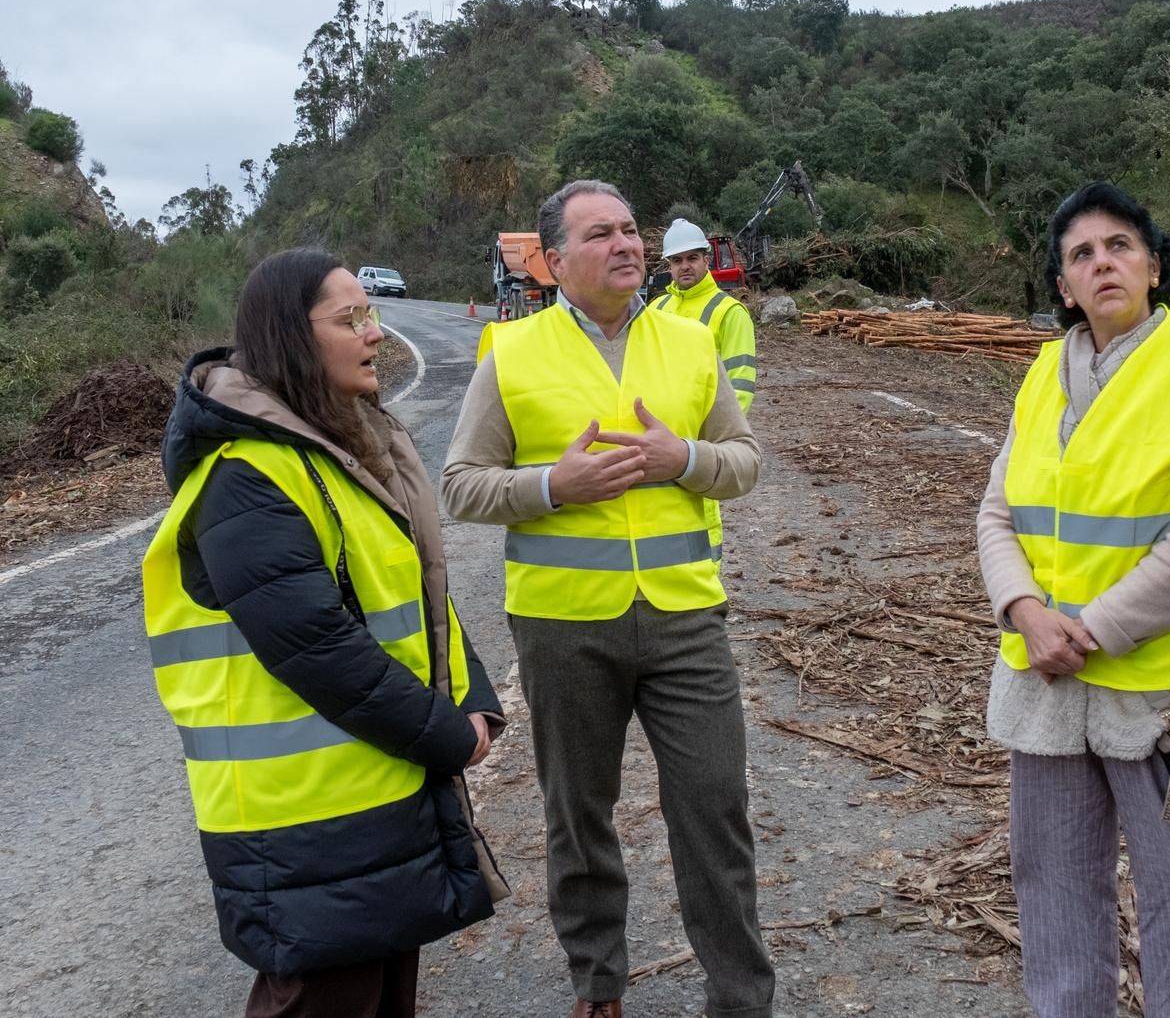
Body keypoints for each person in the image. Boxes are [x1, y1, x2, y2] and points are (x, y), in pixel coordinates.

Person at [142, 248, 508, 1018]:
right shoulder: (248, 478)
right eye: (351, 319)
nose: (375, 333)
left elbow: (417, 594)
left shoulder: (338, 456)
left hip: (374, 795)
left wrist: (472, 696)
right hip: (302, 823)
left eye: (370, 314)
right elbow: (317, 648)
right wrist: (445, 736)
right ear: (289, 336)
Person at [441, 180, 773, 1018]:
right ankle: (598, 984)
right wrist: (556, 483)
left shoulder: (691, 345)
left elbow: (744, 462)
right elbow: (461, 487)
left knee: (714, 807)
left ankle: (740, 999)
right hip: (561, 627)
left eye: (632, 230)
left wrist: (684, 461)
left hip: (684, 619)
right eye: (602, 234)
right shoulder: (510, 354)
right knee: (577, 813)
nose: (627, 244)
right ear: (554, 262)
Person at [977, 182, 1170, 1017]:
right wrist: (1023, 611)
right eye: (1080, 255)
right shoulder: (1044, 373)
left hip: (1156, 692)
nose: (1101, 263)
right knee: (1050, 884)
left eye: (1120, 246)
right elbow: (996, 512)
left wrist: (1089, 629)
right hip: (1045, 683)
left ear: (1155, 266)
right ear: (1062, 287)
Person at [651, 218, 758, 411]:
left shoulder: (730, 312)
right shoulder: (656, 309)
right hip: (660, 428)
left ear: (706, 261)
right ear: (670, 266)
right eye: (677, 260)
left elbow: (740, 383)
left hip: (705, 433)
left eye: (692, 258)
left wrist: (722, 435)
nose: (684, 266)